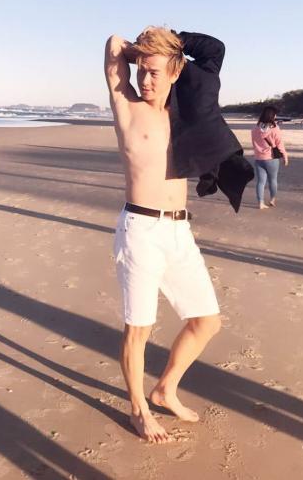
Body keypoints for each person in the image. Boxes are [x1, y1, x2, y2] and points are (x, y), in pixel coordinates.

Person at [104, 27, 222, 444]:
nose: (145, 80)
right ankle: (139, 410)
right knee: (139, 328)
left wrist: (173, 46)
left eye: (154, 72)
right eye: (141, 70)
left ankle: (165, 389)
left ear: (175, 72)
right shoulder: (127, 106)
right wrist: (148, 48)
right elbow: (113, 44)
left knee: (206, 321)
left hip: (179, 230)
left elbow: (215, 53)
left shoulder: (185, 113)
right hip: (140, 230)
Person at [251, 106, 289, 209]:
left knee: (260, 182)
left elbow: (254, 143)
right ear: (272, 116)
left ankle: (260, 202)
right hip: (271, 158)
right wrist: (285, 156)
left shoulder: (255, 128)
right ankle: (272, 199)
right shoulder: (275, 129)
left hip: (259, 158)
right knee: (273, 180)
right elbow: (279, 144)